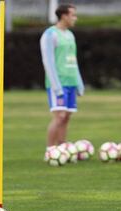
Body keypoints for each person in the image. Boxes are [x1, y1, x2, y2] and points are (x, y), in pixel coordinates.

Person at [40, 4, 85, 157]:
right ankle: (50, 151)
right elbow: (48, 61)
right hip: (58, 83)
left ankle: (62, 149)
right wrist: (56, 86)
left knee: (66, 117)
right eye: (73, 15)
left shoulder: (70, 35)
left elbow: (74, 60)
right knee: (59, 117)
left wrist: (79, 82)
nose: (75, 18)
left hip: (71, 81)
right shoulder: (50, 34)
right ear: (64, 16)